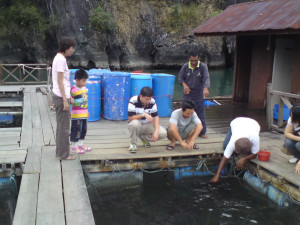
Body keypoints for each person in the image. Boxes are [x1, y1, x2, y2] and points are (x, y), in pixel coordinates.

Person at [210, 117, 260, 183]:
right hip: (236, 122)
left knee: (250, 151)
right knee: (225, 146)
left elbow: (254, 154)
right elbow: (224, 158)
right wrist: (217, 176)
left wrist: (243, 159)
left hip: (254, 124)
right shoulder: (233, 141)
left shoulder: (255, 138)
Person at [52, 36, 76, 160]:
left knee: (61, 126)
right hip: (60, 97)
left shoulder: (58, 58)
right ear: (66, 48)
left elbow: (64, 82)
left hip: (61, 95)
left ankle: (60, 152)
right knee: (64, 128)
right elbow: (60, 81)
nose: (73, 50)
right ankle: (64, 154)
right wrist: (65, 100)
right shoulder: (61, 60)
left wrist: (69, 96)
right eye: (72, 48)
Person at [178, 50, 210, 139]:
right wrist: (184, 85)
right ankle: (183, 131)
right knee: (185, 113)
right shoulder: (185, 66)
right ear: (189, 59)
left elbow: (206, 78)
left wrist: (206, 88)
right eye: (191, 60)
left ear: (199, 59)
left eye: (195, 60)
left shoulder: (203, 67)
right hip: (187, 95)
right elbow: (180, 78)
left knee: (200, 114)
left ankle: (202, 132)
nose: (193, 62)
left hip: (198, 95)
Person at [128, 87, 167, 153]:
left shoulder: (153, 101)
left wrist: (156, 131)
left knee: (163, 133)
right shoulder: (133, 100)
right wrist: (143, 114)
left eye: (150, 99)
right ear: (140, 96)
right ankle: (133, 144)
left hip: (148, 124)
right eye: (146, 99)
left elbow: (156, 116)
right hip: (137, 125)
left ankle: (144, 138)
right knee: (134, 124)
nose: (148, 101)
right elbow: (130, 118)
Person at [70, 69, 92, 154]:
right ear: (77, 80)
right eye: (83, 81)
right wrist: (70, 99)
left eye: (85, 81)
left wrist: (87, 111)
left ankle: (80, 144)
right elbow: (70, 99)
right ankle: (74, 146)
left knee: (83, 130)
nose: (85, 83)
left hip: (84, 114)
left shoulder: (84, 89)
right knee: (76, 130)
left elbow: (85, 101)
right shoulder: (73, 89)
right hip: (76, 115)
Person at [284, 104, 300, 174]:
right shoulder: (291, 118)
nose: (291, 116)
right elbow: (287, 133)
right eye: (290, 114)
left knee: (298, 145)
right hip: (298, 138)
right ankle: (297, 156)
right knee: (288, 142)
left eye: (292, 115)